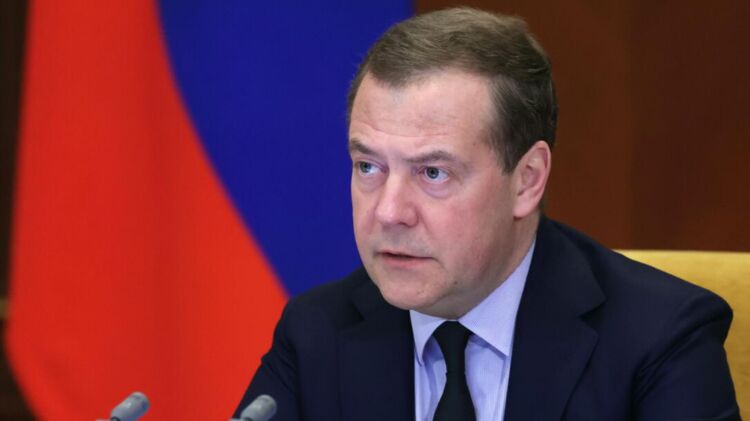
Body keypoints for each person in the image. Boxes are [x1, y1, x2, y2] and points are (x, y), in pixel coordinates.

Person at [234, 7, 739, 420]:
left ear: (527, 180)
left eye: (433, 173)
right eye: (368, 166)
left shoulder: (658, 339)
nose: (388, 211)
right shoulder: (317, 334)